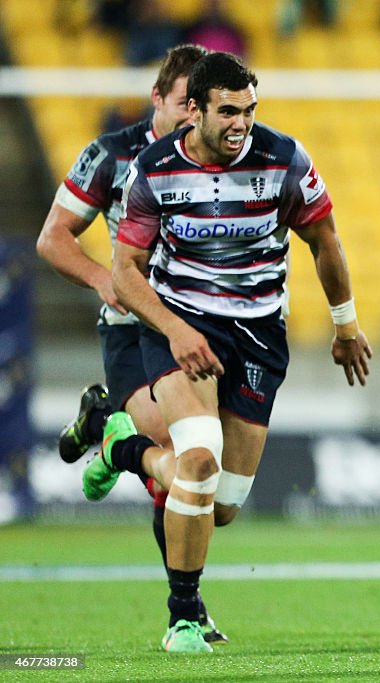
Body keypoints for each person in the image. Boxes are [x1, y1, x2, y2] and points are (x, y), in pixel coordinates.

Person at [89, 51, 372, 653]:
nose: (241, 123)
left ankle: (124, 447)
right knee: (197, 457)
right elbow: (127, 270)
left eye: (248, 109)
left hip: (257, 334)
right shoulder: (153, 169)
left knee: (222, 505)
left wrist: (346, 325)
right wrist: (173, 328)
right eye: (227, 111)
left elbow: (324, 238)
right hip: (179, 324)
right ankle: (183, 617)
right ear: (193, 110)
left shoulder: (285, 159)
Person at [35, 44, 230, 643]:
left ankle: (111, 436)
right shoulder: (113, 155)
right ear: (158, 99)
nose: (192, 120)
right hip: (130, 328)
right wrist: (103, 280)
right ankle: (187, 610)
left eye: (200, 110)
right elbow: (53, 237)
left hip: (193, 326)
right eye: (182, 106)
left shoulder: (215, 159)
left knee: (201, 480)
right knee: (185, 456)